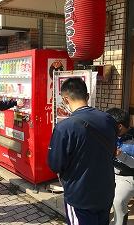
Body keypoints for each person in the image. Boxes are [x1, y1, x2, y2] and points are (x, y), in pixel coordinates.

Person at [47, 77, 118, 225]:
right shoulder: (108, 119)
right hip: (106, 191)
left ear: (65, 100)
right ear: (87, 96)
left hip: (80, 196)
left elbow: (55, 164)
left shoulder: (64, 127)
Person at [106, 108, 134, 225]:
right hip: (109, 173)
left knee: (118, 201)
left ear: (120, 126)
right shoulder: (109, 134)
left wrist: (120, 155)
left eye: (109, 124)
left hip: (128, 177)